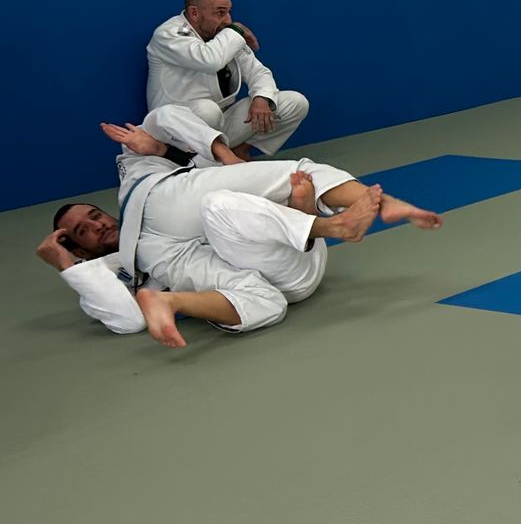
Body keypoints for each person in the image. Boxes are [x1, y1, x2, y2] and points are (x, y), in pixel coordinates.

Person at [40, 109, 439, 347]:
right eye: (82, 232)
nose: (94, 226)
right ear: (82, 250)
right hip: (237, 271)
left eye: (94, 216)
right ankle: (172, 302)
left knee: (227, 201)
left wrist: (169, 150)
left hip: (168, 207)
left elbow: (163, 117)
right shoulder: (108, 269)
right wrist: (64, 263)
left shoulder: (135, 180)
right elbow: (125, 320)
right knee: (266, 298)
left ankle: (330, 217)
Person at [147, 0, 309, 159]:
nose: (228, 20)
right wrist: (236, 31)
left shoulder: (224, 34)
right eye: (220, 13)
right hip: (177, 130)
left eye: (229, 12)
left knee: (295, 102)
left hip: (219, 121)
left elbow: (259, 73)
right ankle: (196, 159)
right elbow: (210, 60)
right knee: (208, 110)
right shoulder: (169, 34)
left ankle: (238, 151)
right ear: (194, 13)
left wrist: (261, 98)